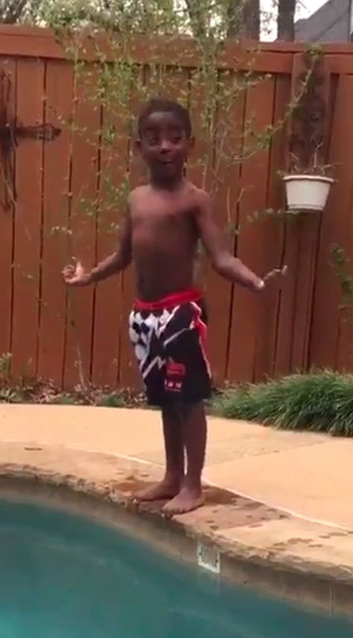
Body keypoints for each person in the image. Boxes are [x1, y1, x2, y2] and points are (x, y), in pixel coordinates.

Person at [62, 98, 286, 515]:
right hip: (145, 315)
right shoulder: (135, 200)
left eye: (174, 138)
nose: (164, 146)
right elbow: (123, 255)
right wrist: (89, 276)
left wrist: (254, 280)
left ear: (189, 146)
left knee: (188, 400)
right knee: (165, 399)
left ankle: (193, 484)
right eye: (153, 139)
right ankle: (170, 476)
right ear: (138, 147)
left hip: (181, 314)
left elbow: (220, 257)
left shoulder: (194, 200)